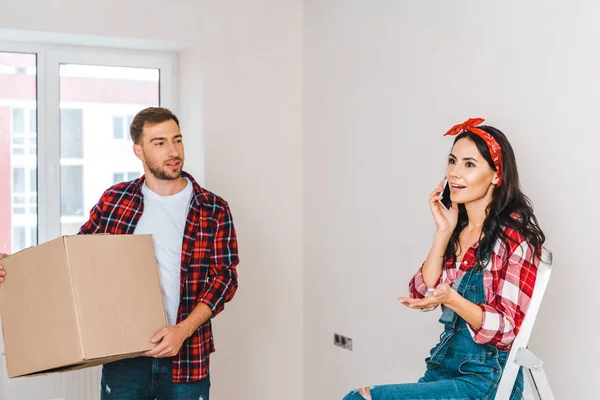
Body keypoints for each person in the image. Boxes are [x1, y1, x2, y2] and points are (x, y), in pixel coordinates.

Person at [1, 107, 239, 400]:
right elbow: (76, 259)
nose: (173, 151)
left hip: (187, 359)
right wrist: (15, 267)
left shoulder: (213, 208)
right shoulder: (116, 200)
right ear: (138, 150)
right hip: (124, 358)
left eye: (177, 140)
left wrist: (183, 330)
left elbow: (225, 278)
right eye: (159, 142)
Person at [343, 118, 545, 400]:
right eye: (452, 161)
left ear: (497, 175)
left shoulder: (514, 238)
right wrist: (443, 232)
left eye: (469, 164)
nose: (454, 173)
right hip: (442, 368)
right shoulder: (459, 231)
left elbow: (507, 330)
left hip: (485, 380)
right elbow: (422, 289)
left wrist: (450, 299)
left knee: (359, 399)